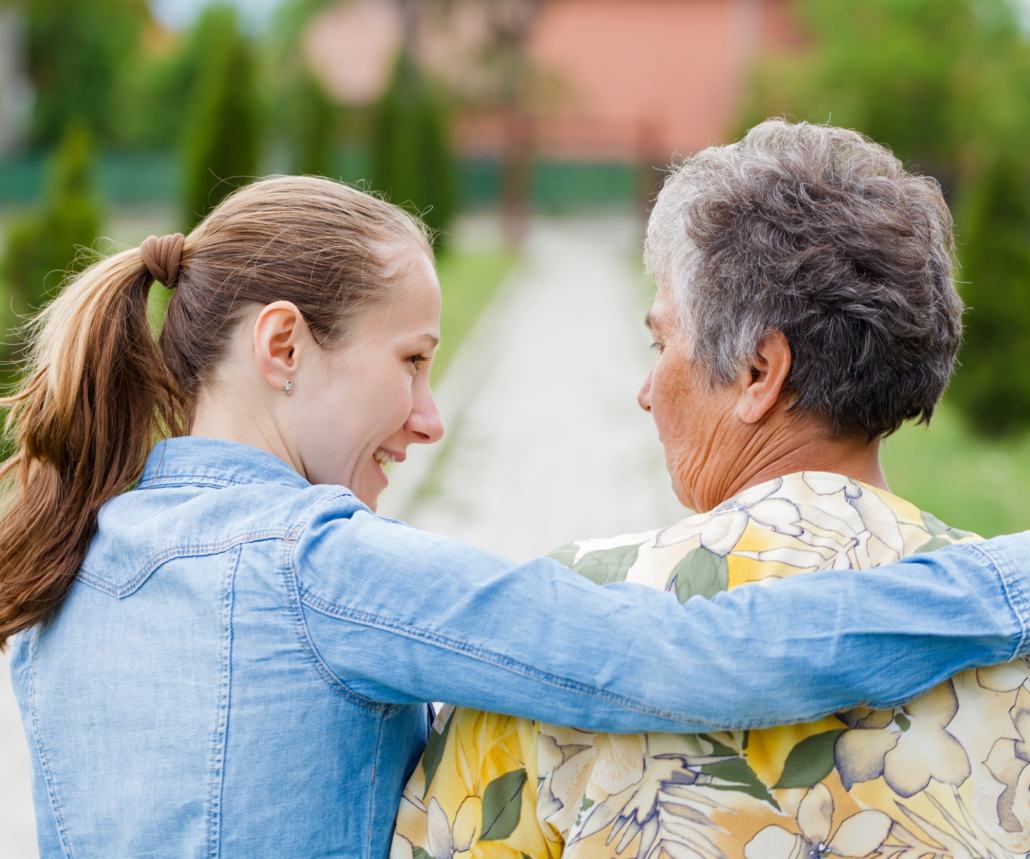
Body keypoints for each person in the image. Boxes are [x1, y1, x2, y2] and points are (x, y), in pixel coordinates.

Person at [0, 175, 1025, 859]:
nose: (430, 417)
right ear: (281, 347)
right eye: (409, 361)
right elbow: (672, 654)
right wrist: (998, 580)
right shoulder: (316, 568)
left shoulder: (64, 567)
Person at [397, 120, 1030, 859]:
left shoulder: (571, 622)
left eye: (662, 343)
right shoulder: (1006, 625)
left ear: (760, 372)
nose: (644, 391)